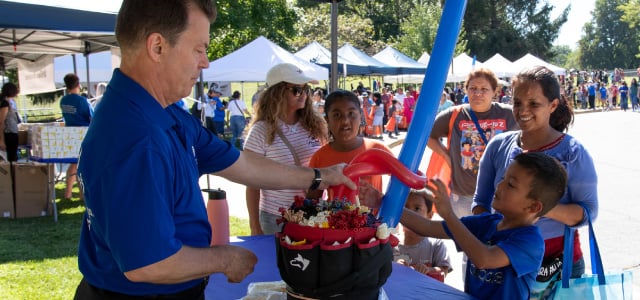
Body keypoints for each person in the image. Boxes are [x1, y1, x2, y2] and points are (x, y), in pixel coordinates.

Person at [73, 2, 355, 299]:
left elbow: (242, 164)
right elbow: (149, 264)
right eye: (199, 49)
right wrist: (225, 258)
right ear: (157, 47)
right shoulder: (134, 136)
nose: (206, 62)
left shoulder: (165, 112)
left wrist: (319, 176)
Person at [361, 151, 568, 299]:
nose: (500, 185)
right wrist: (382, 200)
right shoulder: (487, 223)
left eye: (511, 185)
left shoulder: (530, 241)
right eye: (504, 178)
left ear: (533, 206)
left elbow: (484, 259)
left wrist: (449, 215)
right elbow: (426, 227)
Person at [472, 66, 599, 292]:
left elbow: (588, 212)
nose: (523, 111)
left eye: (534, 104)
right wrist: (495, 240)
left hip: (560, 268)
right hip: (504, 260)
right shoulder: (498, 146)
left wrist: (533, 207)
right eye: (517, 102)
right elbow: (480, 202)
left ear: (553, 105)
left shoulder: (573, 153)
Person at [245, 63, 328, 235]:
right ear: (277, 93)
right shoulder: (261, 131)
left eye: (306, 89)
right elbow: (252, 184)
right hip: (276, 217)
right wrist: (255, 226)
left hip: (313, 214)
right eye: (297, 90)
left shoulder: (316, 125)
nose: (304, 94)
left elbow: (326, 165)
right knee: (277, 262)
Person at [428, 68, 518, 218]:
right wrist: (446, 156)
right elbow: (429, 136)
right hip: (464, 196)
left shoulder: (509, 114)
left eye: (484, 89)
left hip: (500, 196)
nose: (478, 93)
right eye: (473, 88)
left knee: (494, 240)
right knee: (464, 239)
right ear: (466, 89)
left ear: (495, 92)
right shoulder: (454, 115)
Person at [307, 90, 392, 201]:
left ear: (360, 116)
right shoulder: (319, 157)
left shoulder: (378, 150)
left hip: (376, 218)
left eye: (351, 114)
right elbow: (313, 199)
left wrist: (382, 200)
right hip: (333, 218)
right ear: (327, 119)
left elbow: (402, 185)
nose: (345, 121)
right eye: (337, 115)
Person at [394, 189, 452, 281]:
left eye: (417, 208)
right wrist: (395, 266)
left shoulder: (436, 244)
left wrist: (428, 270)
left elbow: (443, 271)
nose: (410, 213)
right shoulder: (392, 244)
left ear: (429, 215)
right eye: (405, 208)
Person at [59, 73, 94, 199]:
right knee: (82, 165)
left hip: (70, 134)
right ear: (78, 85)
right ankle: (81, 194)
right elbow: (91, 117)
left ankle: (68, 192)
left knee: (74, 164)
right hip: (83, 135)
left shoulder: (63, 100)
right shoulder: (81, 101)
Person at [0, 82, 20, 162]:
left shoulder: (9, 102)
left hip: (12, 132)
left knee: (13, 157)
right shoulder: (4, 103)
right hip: (8, 134)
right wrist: (1, 140)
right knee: (11, 159)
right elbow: (1, 122)